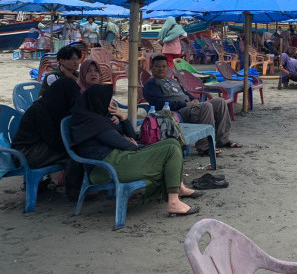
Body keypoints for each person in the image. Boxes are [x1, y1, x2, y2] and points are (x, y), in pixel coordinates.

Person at [70, 84, 202, 216]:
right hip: (107, 168)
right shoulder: (94, 123)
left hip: (118, 160)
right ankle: (173, 202)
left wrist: (124, 118)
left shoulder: (100, 118)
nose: (112, 102)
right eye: (109, 99)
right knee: (170, 149)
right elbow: (130, 145)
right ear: (98, 100)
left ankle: (178, 188)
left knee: (173, 143)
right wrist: (128, 141)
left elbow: (132, 139)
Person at [143, 55, 240, 154]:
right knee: (206, 107)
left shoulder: (172, 81)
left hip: (188, 107)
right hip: (175, 112)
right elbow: (159, 104)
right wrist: (185, 104)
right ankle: (204, 147)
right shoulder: (151, 84)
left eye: (164, 66)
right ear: (152, 67)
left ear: (168, 68)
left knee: (220, 102)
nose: (161, 69)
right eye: (158, 66)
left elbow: (185, 94)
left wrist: (195, 100)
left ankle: (223, 140)